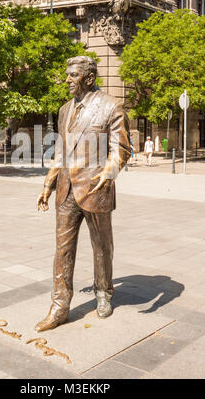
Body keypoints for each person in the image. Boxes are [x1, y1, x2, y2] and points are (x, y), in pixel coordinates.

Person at [35, 56, 131, 332]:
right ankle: (59, 305)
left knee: (102, 246)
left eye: (73, 75)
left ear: (89, 78)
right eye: (67, 74)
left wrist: (109, 172)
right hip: (65, 190)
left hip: (96, 188)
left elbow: (121, 148)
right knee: (62, 249)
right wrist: (47, 185)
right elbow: (61, 152)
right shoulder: (65, 109)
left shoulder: (111, 106)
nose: (67, 80)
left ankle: (104, 292)